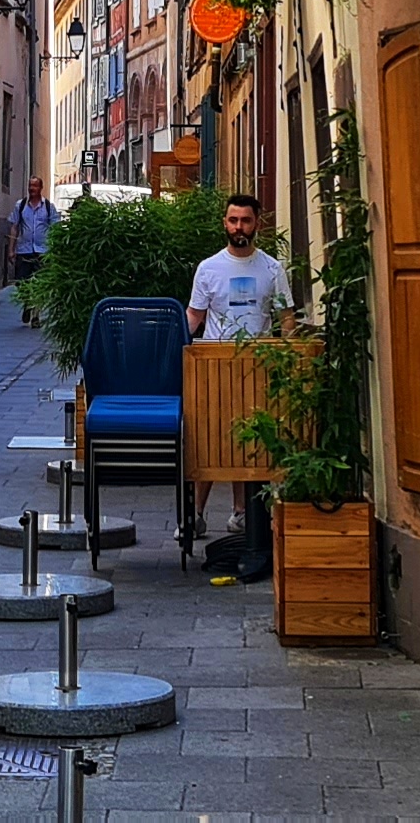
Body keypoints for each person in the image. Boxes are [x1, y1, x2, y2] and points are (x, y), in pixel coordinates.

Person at [183, 197, 289, 568]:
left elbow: (286, 317)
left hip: (258, 365)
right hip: (215, 364)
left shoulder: (273, 268)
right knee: (210, 439)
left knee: (252, 440)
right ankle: (195, 515)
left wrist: (289, 355)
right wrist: (176, 349)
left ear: (257, 222)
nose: (238, 227)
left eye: (245, 220)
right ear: (224, 223)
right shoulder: (209, 268)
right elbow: (194, 316)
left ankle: (242, 513)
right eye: (233, 220)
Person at [12, 192, 54, 322]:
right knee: (22, 283)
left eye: (35, 186)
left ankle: (36, 316)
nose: (32, 189)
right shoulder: (20, 205)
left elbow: (55, 227)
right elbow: (14, 227)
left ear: (40, 188)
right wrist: (11, 249)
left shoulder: (48, 207)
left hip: (42, 251)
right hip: (24, 251)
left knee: (39, 284)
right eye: (31, 186)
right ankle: (27, 303)